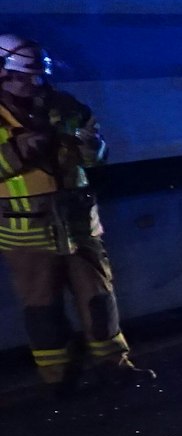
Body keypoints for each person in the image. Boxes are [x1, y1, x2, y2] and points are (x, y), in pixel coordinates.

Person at [0, 34, 152, 391]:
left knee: (98, 298)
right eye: (23, 76)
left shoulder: (66, 106)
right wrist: (20, 152)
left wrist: (92, 148)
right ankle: (59, 379)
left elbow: (95, 158)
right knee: (43, 309)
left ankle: (115, 367)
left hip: (79, 224)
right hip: (27, 233)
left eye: (38, 75)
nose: (33, 83)